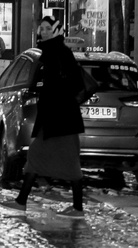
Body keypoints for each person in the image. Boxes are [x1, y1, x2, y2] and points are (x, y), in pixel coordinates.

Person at [14, 15, 87, 215]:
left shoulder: (60, 52)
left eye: (47, 28)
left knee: (61, 160)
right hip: (55, 117)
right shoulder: (50, 52)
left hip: (62, 118)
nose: (43, 31)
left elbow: (71, 83)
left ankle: (77, 208)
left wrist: (53, 93)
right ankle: (22, 201)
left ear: (55, 30)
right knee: (41, 157)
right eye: (41, 28)